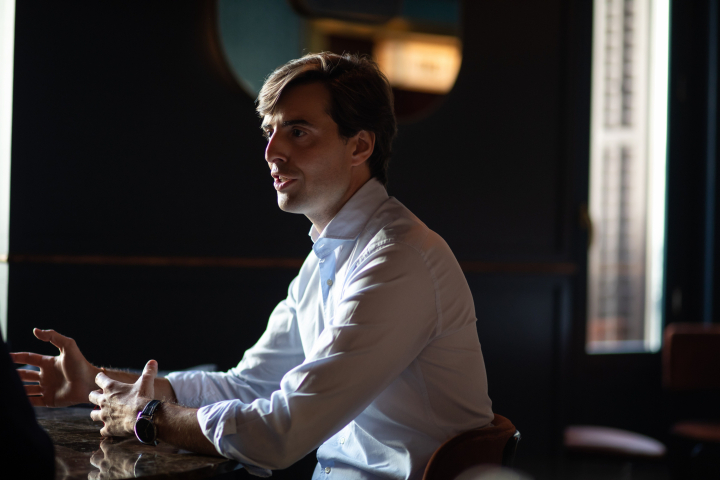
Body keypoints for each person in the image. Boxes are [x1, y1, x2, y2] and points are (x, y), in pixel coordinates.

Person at [11, 52, 493, 480]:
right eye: (270, 132)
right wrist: (97, 381)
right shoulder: (332, 254)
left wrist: (149, 417)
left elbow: (281, 433)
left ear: (359, 147)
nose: (271, 152)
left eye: (298, 131)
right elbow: (249, 384)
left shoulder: (397, 259)